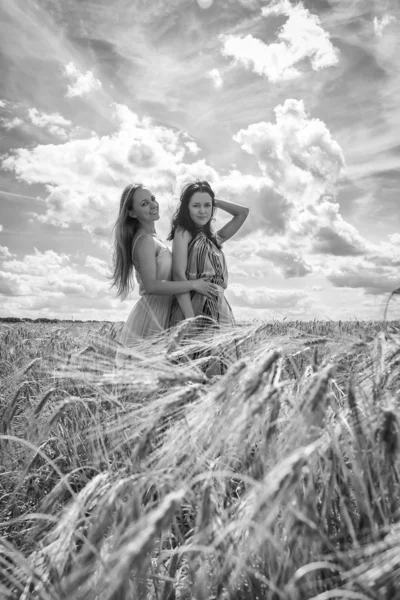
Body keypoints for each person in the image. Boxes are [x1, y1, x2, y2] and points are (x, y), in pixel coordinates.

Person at [111, 183, 219, 347]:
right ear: (132, 213)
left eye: (152, 199)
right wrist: (194, 285)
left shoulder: (153, 238)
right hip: (153, 316)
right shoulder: (144, 241)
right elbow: (151, 286)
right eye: (144, 203)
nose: (153, 205)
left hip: (166, 312)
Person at [167, 180, 249, 374]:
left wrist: (213, 199)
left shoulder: (214, 238)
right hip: (195, 305)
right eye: (196, 205)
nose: (202, 211)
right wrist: (190, 319)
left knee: (221, 370)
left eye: (207, 205)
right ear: (186, 208)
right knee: (195, 368)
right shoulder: (184, 232)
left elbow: (243, 213)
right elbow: (178, 275)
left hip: (219, 308)